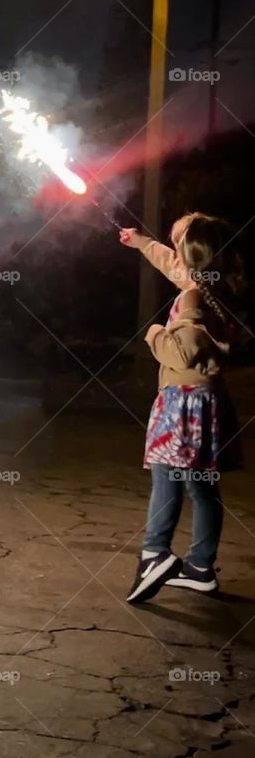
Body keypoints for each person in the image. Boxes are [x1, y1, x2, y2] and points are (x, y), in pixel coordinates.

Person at [121, 213, 245, 603]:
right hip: (204, 400)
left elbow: (182, 351)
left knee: (165, 476)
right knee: (201, 486)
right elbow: (172, 264)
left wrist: (154, 333)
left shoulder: (192, 295)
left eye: (177, 238)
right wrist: (142, 243)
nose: (171, 245)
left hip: (182, 401)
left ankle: (155, 553)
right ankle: (200, 568)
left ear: (190, 252)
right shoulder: (212, 285)